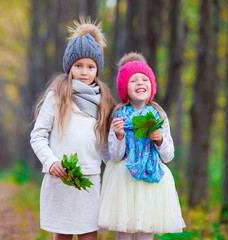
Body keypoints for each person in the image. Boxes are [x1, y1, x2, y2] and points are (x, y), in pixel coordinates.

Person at [30, 18, 114, 240]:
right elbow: (38, 136)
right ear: (69, 66)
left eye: (90, 67)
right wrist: (51, 162)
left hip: (90, 179)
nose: (84, 72)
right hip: (62, 177)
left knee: (88, 234)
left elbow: (105, 144)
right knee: (63, 233)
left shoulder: (103, 100)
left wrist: (117, 167)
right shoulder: (58, 94)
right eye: (78, 66)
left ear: (97, 69)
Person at [98, 52, 186, 240]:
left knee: (146, 230)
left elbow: (168, 156)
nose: (140, 83)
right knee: (124, 230)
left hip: (151, 179)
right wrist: (120, 136)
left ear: (151, 86)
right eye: (133, 80)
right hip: (124, 179)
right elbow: (114, 156)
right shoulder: (119, 114)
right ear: (124, 88)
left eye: (145, 79)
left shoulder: (158, 114)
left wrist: (160, 140)